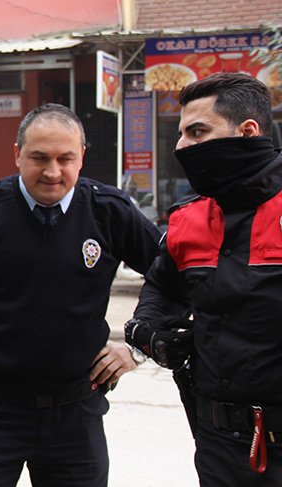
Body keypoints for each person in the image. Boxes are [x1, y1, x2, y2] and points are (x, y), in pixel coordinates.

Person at [0, 103, 161, 486]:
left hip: (76, 413)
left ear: (81, 157)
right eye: (39, 158)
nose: (53, 172)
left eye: (65, 158)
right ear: (17, 154)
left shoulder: (109, 211)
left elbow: (173, 280)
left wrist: (138, 345)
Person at [125, 72, 282, 484]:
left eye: (197, 132)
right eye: (181, 134)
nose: (181, 147)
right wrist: (150, 331)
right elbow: (161, 288)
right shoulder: (187, 218)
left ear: (247, 132)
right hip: (218, 445)